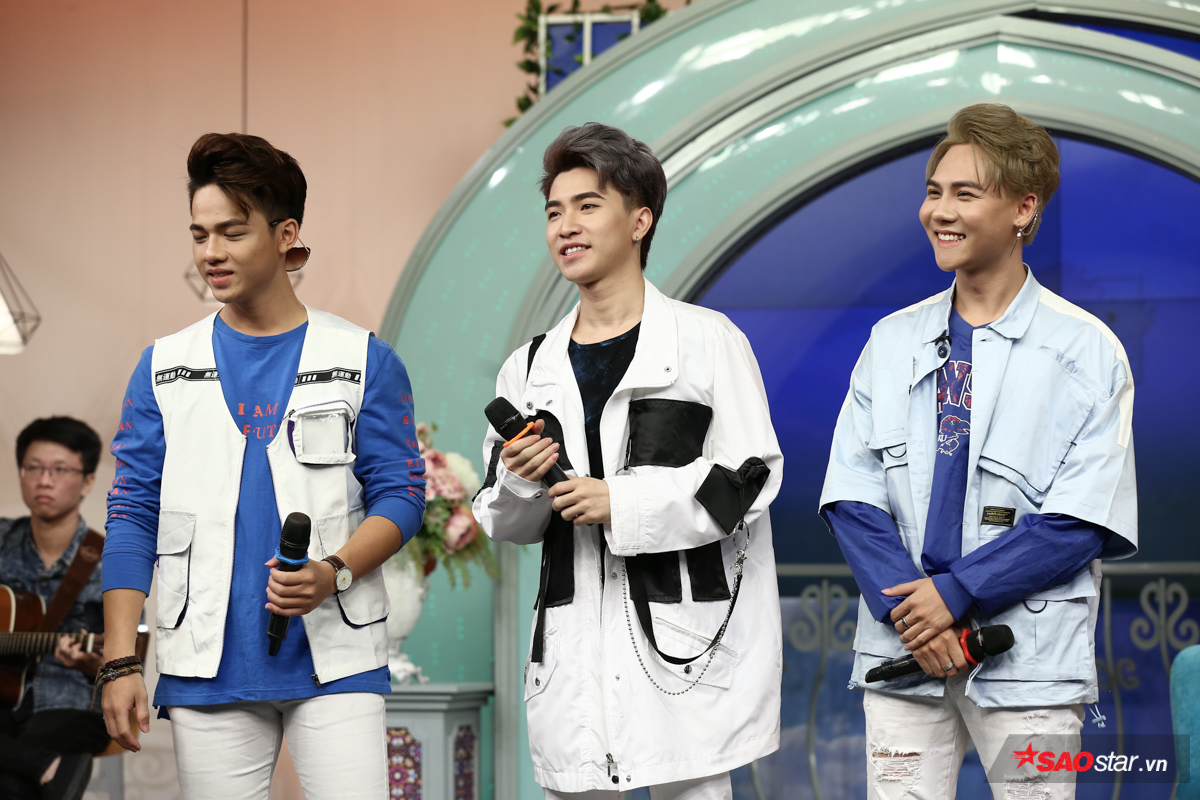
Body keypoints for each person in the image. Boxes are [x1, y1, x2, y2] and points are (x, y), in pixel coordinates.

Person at [821, 104, 1138, 799]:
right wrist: (916, 615)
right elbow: (851, 494)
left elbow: (1081, 519)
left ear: (1024, 208)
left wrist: (956, 594)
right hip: (903, 651)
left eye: (965, 193)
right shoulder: (891, 341)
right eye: (934, 192)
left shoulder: (1088, 351)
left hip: (1030, 662)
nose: (940, 211)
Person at [99, 132, 426, 799]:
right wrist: (120, 658)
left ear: (285, 235)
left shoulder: (363, 359)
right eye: (199, 234)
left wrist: (334, 572)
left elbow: (401, 494)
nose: (211, 252)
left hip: (337, 658)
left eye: (232, 232)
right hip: (206, 662)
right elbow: (132, 513)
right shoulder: (163, 367)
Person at [473, 122, 783, 800]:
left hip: (686, 651)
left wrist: (624, 502)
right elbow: (502, 521)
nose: (566, 226)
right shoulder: (527, 368)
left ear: (639, 221)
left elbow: (751, 481)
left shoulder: (708, 341)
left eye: (588, 206)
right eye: (554, 211)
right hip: (573, 663)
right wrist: (520, 481)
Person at [0, 417, 109, 800]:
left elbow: (127, 659)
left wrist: (91, 665)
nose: (44, 480)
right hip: (4, 698)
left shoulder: (108, 560)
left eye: (59, 470)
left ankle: (36, 763)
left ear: (88, 481)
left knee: (11, 782)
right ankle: (46, 766)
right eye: (34, 467)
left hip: (69, 703)